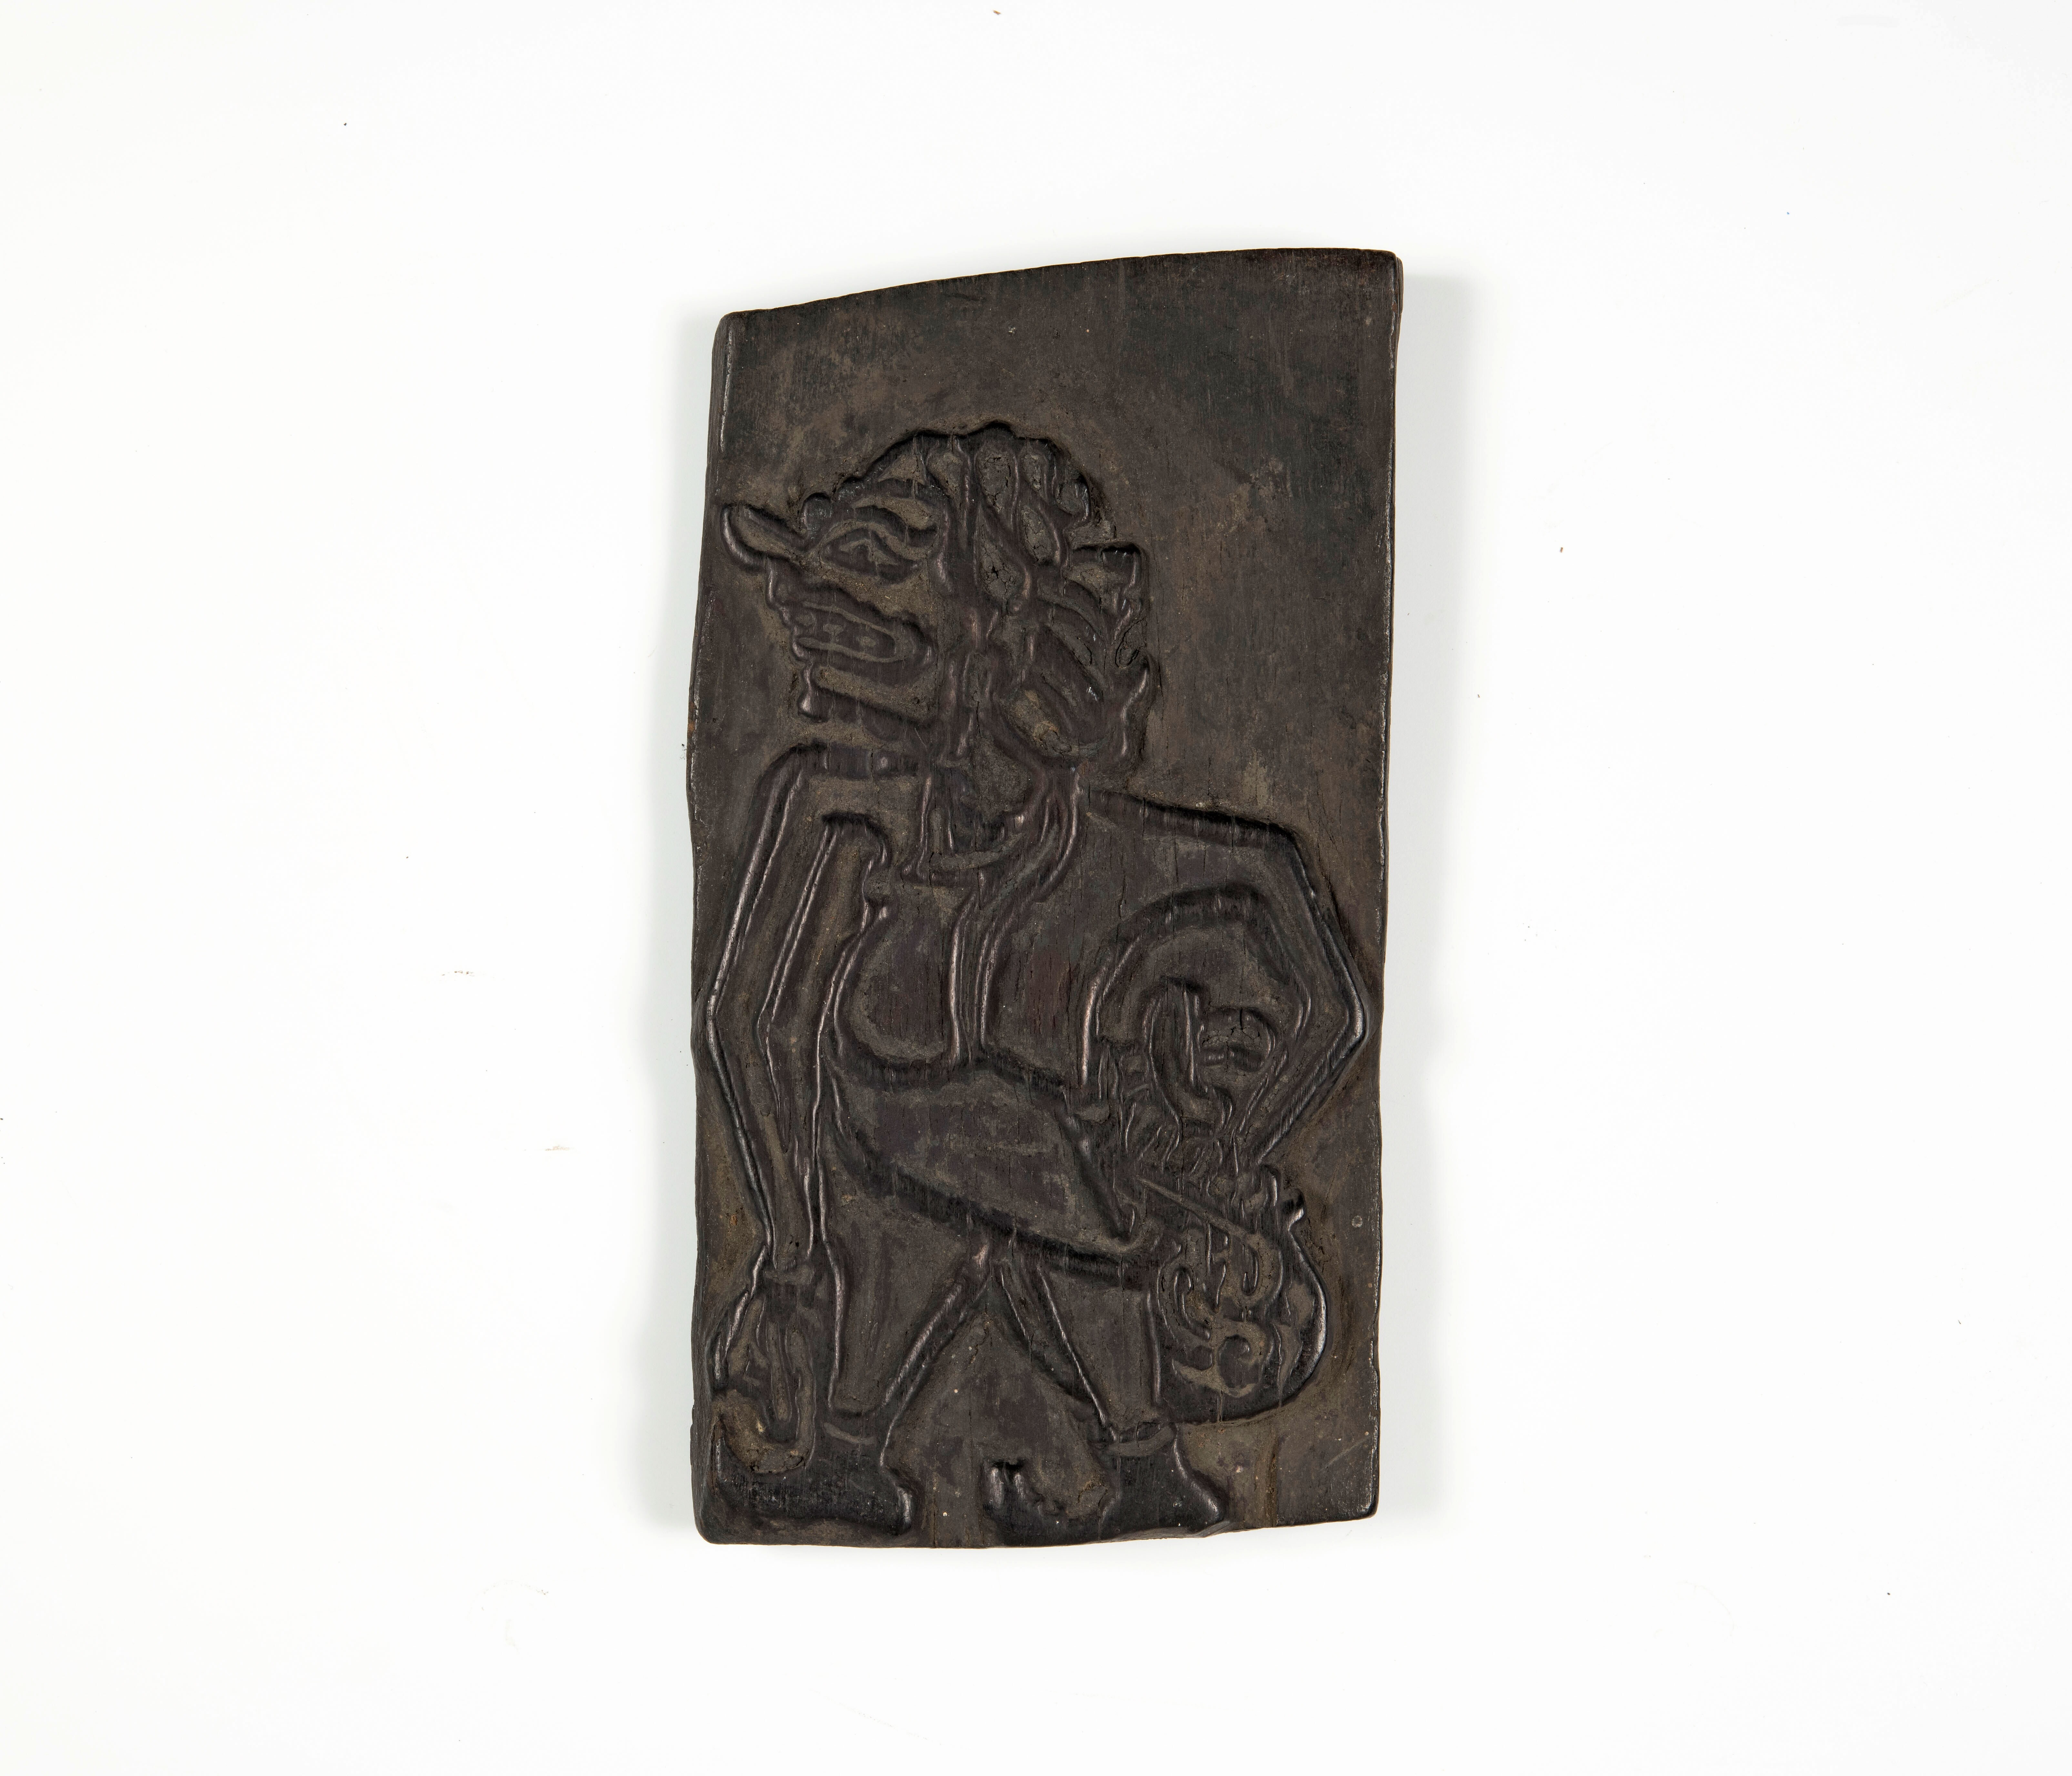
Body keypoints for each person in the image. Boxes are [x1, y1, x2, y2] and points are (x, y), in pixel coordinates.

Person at [703, 426, 1365, 1541]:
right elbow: (748, 1022)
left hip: (1003, 1147)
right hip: (915, 1135)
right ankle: (1015, 1461)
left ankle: (1100, 1466)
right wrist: (790, 1239)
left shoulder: (1090, 835)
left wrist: (1234, 1147)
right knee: (1004, 1211)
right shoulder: (844, 802)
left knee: (1033, 1207)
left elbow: (1329, 994)